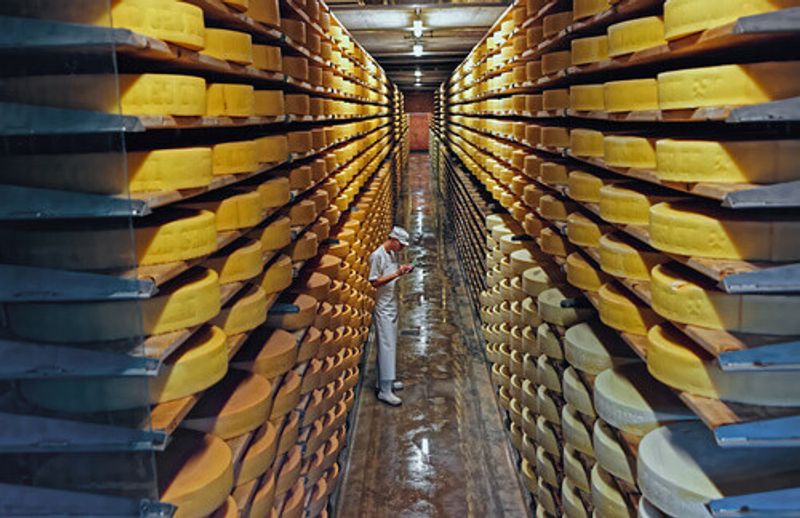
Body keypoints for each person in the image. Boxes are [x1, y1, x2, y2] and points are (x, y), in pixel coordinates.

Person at [368, 226, 414, 406]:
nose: (402, 248)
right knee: (386, 346)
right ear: (393, 240)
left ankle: (386, 380)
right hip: (383, 308)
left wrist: (401, 270)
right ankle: (385, 391)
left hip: (391, 304)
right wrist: (397, 273)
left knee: (390, 344)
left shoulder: (391, 254)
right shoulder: (377, 256)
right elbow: (374, 282)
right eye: (401, 245)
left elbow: (390, 276)